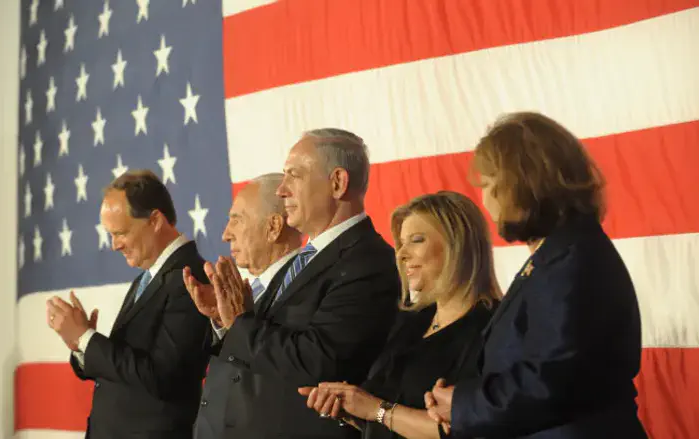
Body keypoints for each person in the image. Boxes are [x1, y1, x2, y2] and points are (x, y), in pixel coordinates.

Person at [425, 112, 647, 438]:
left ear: (521, 184)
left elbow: (554, 379)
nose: (484, 199)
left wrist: (464, 404)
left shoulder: (572, 262)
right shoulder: (558, 255)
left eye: (487, 184)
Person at [204, 128, 401, 438]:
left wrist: (240, 322)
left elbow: (317, 360)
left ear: (337, 183)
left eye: (294, 176)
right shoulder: (302, 259)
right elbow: (260, 346)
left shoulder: (368, 263)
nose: (282, 190)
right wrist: (225, 319)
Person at [298, 191, 501, 439]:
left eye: (416, 240)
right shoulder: (411, 321)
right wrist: (351, 410)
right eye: (401, 243)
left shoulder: (494, 327)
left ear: (457, 244)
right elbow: (386, 419)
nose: (401, 254)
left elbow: (466, 428)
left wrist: (376, 410)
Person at [46, 170, 212, 439]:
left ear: (155, 220)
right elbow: (125, 366)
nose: (114, 246)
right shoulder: (146, 278)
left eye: (120, 233)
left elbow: (164, 377)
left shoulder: (189, 276)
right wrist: (80, 346)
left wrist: (87, 338)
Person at [185, 173, 303, 439]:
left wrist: (237, 322)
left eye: (237, 220)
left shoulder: (305, 289)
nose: (226, 234)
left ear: (273, 227)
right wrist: (222, 321)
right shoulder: (248, 291)